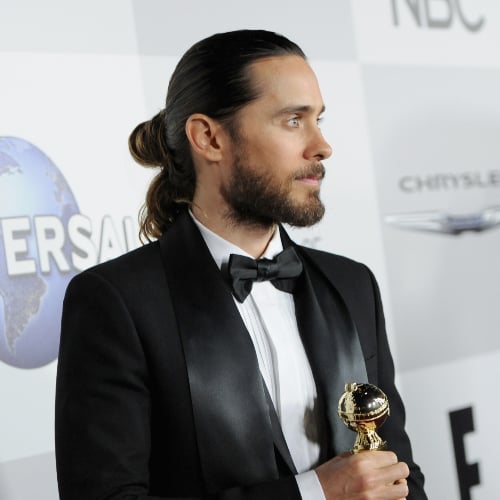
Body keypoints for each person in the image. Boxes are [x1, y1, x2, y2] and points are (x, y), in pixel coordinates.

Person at [55, 29, 427, 500]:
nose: (322, 146)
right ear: (209, 138)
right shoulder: (118, 302)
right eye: (293, 120)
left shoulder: (351, 284)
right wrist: (313, 493)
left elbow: (397, 474)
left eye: (319, 119)